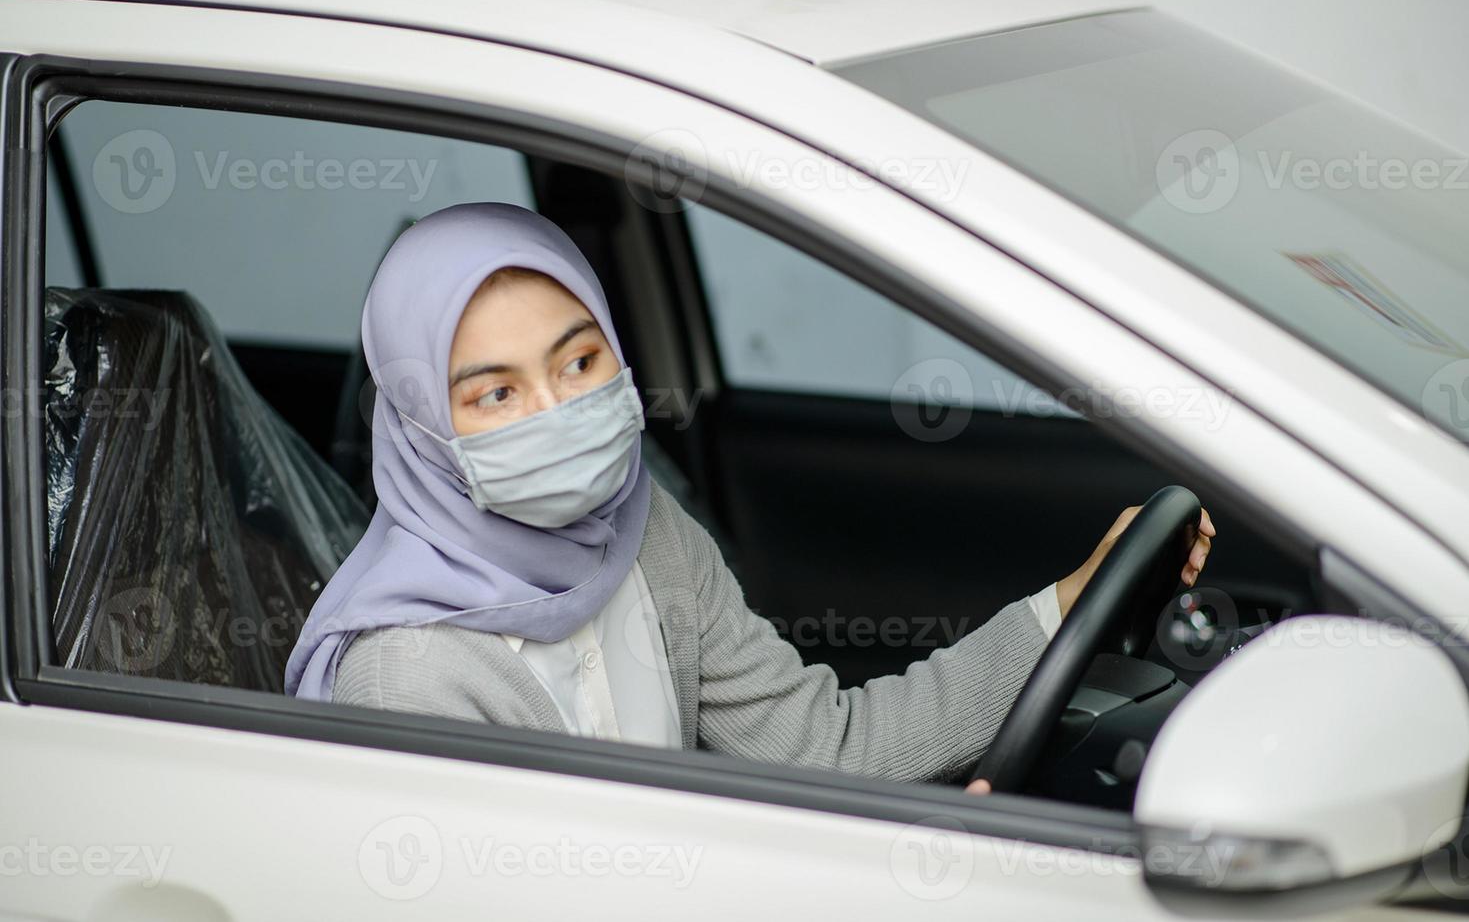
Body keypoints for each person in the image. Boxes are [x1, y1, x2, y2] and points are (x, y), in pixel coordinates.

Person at [285, 202, 1214, 788]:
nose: (556, 411)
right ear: (417, 426)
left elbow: (825, 753)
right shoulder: (409, 673)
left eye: (579, 359)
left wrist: (1063, 606)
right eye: (495, 393)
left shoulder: (647, 541)